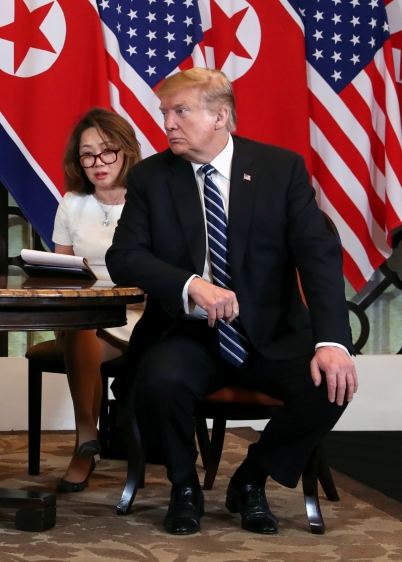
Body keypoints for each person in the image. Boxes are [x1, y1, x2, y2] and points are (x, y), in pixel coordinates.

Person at [106, 68, 357, 536]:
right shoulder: (150, 177)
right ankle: (184, 488)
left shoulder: (280, 170)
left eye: (180, 112)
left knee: (330, 383)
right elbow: (124, 257)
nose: (168, 124)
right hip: (188, 333)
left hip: (271, 334)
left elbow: (318, 259)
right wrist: (189, 284)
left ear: (221, 116)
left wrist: (332, 342)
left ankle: (251, 480)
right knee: (159, 379)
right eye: (165, 113)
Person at [50, 108, 142, 492]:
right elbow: (60, 270)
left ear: (126, 151)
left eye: (107, 151)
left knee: (80, 327)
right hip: (82, 312)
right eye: (87, 155)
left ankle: (84, 443)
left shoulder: (148, 198)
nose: (97, 163)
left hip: (137, 311)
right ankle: (88, 429)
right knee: (78, 322)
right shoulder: (72, 202)